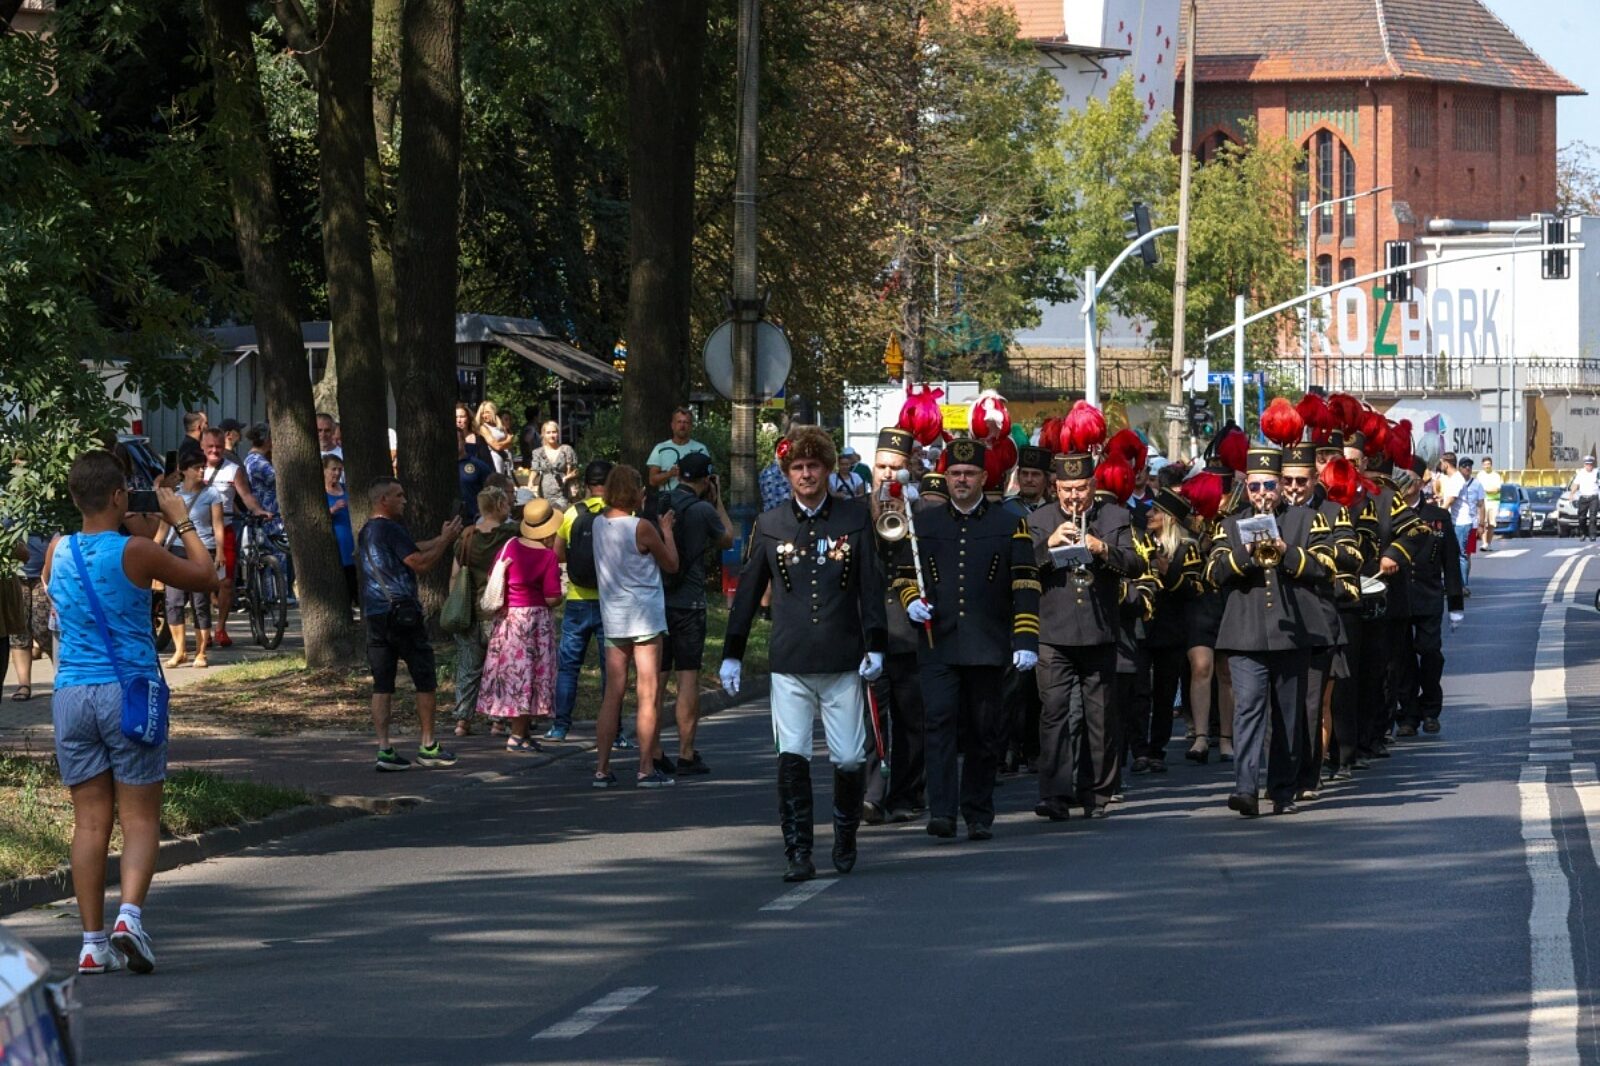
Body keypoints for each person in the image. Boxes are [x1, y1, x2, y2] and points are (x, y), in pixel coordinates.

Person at [43, 451, 218, 975]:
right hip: (129, 691)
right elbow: (206, 575)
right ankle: (130, 919)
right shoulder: (137, 551)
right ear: (120, 496)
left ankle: (91, 944)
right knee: (139, 817)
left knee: (89, 822)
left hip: (71, 694)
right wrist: (179, 518)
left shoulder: (58, 548)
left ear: (75, 497)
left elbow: (55, 598)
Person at [721, 426, 886, 880]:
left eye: (814, 465)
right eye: (797, 467)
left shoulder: (853, 518)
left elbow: (870, 587)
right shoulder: (770, 523)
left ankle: (846, 834)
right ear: (786, 473)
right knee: (791, 757)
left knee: (849, 758)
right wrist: (732, 652)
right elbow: (748, 592)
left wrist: (877, 645)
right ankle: (798, 851)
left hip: (842, 657)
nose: (806, 474)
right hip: (790, 661)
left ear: (828, 469)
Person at [899, 438, 1039, 840]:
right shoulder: (924, 524)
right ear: (946, 477)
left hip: (987, 643)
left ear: (984, 477)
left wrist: (1025, 639)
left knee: (983, 730)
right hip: (937, 642)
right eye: (955, 474)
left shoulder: (1009, 523)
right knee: (939, 725)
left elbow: (1025, 582)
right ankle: (942, 811)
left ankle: (977, 812)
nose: (961, 480)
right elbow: (905, 574)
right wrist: (911, 601)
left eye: (969, 474)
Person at [1207, 446, 1332, 817]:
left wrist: (1285, 550)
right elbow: (1212, 572)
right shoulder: (1229, 525)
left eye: (1269, 485)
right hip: (1244, 634)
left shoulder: (1307, 520)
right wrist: (1244, 553)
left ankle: (1282, 790)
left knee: (1288, 716)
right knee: (1247, 709)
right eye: (1255, 486)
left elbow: (1325, 566)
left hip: (1292, 633)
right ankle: (1245, 789)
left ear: (1279, 486)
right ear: (1246, 488)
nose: (1263, 493)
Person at [1028, 449, 1136, 821]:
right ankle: (1054, 794)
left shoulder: (1115, 516)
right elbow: (1023, 567)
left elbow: (1135, 563)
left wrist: (1102, 548)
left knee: (1100, 716)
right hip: (1053, 632)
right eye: (1066, 489)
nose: (1074, 496)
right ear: (1055, 487)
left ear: (1093, 485)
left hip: (1098, 629)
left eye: (1081, 488)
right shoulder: (1039, 520)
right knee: (1054, 714)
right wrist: (1048, 545)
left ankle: (1098, 793)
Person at [358, 477, 463, 771]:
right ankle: (428, 745)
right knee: (424, 678)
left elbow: (412, 548)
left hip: (375, 615)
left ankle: (384, 750)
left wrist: (441, 538)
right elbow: (420, 563)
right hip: (402, 613)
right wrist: (446, 541)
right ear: (383, 500)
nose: (405, 500)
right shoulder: (391, 528)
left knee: (382, 684)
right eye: (399, 495)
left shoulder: (368, 530)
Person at [591, 464, 679, 788]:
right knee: (647, 692)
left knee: (612, 694)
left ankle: (602, 769)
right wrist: (667, 530)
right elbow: (671, 564)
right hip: (644, 616)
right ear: (636, 491)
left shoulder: (598, 524)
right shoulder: (641, 527)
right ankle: (645, 768)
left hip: (613, 617)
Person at [864, 427, 928, 824]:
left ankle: (907, 793)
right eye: (881, 467)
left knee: (910, 718)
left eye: (895, 468)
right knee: (870, 717)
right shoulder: (856, 510)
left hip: (908, 629)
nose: (887, 474)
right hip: (868, 629)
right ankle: (872, 794)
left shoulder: (924, 511)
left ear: (909, 470)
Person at [658, 451, 734, 776]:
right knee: (687, 677)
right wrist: (718, 501)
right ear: (707, 479)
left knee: (655, 679)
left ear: (678, 475)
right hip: (689, 605)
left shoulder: (660, 502)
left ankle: (653, 751)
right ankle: (686, 754)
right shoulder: (704, 510)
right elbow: (727, 539)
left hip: (657, 603)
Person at [477, 498, 565, 751]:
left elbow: (495, 575)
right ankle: (516, 736)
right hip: (534, 622)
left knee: (514, 674)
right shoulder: (547, 556)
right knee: (530, 676)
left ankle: (522, 733)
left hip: (508, 619)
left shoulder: (510, 546)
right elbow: (552, 597)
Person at [1394, 457, 1465, 736]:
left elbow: (1451, 561)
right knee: (1401, 659)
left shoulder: (1437, 517)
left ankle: (1431, 708)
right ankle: (1408, 715)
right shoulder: (1388, 512)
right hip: (1398, 597)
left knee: (1430, 653)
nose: (1405, 485)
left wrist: (1455, 605)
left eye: (1409, 479)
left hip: (1428, 595)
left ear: (1420, 482)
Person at [550, 460, 612, 742]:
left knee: (569, 666)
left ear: (586, 484)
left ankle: (560, 726)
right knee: (611, 669)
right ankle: (615, 731)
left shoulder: (572, 513)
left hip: (577, 598)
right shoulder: (621, 513)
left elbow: (558, 553)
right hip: (609, 601)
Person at [449, 486, 516, 738]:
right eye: (506, 503)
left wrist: (455, 602)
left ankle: (462, 720)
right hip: (500, 610)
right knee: (501, 668)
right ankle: (497, 720)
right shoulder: (511, 535)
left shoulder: (466, 537)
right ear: (499, 505)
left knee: (468, 668)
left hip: (470, 611)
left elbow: (455, 575)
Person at [200, 427, 270, 647]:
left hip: (225, 528)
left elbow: (246, 495)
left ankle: (220, 628)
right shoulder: (194, 468)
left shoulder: (233, 470)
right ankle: (203, 629)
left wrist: (257, 510)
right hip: (198, 530)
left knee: (227, 582)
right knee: (198, 582)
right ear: (202, 446)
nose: (214, 451)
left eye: (219, 447)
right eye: (210, 446)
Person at [157, 453, 224, 669]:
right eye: (196, 467)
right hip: (176, 550)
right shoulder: (174, 496)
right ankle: (180, 651)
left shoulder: (212, 494)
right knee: (173, 602)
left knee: (200, 602)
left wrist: (220, 551)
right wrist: (155, 548)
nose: (201, 471)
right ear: (183, 471)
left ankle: (201, 651)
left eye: (203, 467)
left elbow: (218, 525)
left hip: (202, 549)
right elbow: (163, 528)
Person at [7, 530, 54, 702]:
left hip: (44, 574)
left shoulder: (50, 514)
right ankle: (24, 684)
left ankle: (60, 677)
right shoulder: (7, 514)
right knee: (19, 632)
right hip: (16, 575)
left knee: (43, 629)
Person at [646, 407, 709, 492]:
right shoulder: (660, 449)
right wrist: (670, 474)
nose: (682, 425)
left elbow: (708, 479)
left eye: (686, 422)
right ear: (672, 425)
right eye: (679, 422)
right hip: (667, 499)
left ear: (691, 426)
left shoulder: (701, 449)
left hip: (693, 499)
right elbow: (652, 481)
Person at [324, 456, 357, 614]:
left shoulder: (346, 489)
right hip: (336, 543)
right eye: (333, 469)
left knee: (355, 578)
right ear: (324, 470)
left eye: (340, 469)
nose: (337, 473)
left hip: (351, 540)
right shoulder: (321, 493)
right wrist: (333, 509)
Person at [1445, 457, 1483, 589]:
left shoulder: (1477, 484)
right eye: (1465, 466)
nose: (1468, 468)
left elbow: (1481, 505)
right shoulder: (1455, 481)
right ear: (1459, 468)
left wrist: (1481, 524)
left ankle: (1464, 583)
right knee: (1460, 554)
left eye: (1470, 466)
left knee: (1466, 554)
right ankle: (1460, 582)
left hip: (1471, 523)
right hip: (1458, 522)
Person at [529, 421, 580, 512]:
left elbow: (576, 471)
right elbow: (534, 469)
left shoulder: (566, 450)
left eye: (554, 432)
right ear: (543, 434)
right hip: (544, 493)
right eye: (548, 432)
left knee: (560, 514)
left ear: (558, 433)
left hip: (562, 493)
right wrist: (530, 482)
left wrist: (566, 477)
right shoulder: (538, 452)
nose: (551, 435)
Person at [457, 429, 490, 521]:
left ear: (464, 441)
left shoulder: (478, 465)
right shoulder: (441, 467)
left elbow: (491, 491)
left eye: (457, 440)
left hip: (473, 519)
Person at [475, 401, 516, 475]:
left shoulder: (499, 425)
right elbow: (497, 446)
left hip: (506, 461)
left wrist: (507, 442)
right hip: (494, 462)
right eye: (482, 413)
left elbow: (510, 444)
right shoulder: (483, 428)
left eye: (487, 412)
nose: (484, 415)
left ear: (493, 411)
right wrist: (507, 441)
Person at [1568, 455, 1600, 541]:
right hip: (1583, 497)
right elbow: (1576, 484)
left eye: (1590, 464)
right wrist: (1571, 494)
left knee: (1593, 517)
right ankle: (1583, 533)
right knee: (1582, 517)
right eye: (1587, 464)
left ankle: (1592, 535)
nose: (1589, 466)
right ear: (1584, 465)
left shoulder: (1597, 473)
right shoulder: (1580, 473)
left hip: (1593, 497)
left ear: (1593, 464)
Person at [1477, 457, 1502, 552]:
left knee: (1491, 524)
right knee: (1483, 523)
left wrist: (1486, 490)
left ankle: (1489, 543)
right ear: (1482, 465)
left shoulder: (1496, 475)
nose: (1487, 466)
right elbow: (1478, 489)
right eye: (1485, 464)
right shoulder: (1480, 475)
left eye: (1488, 464)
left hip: (1493, 502)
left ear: (1491, 465)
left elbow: (1497, 489)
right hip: (1483, 502)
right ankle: (1484, 543)